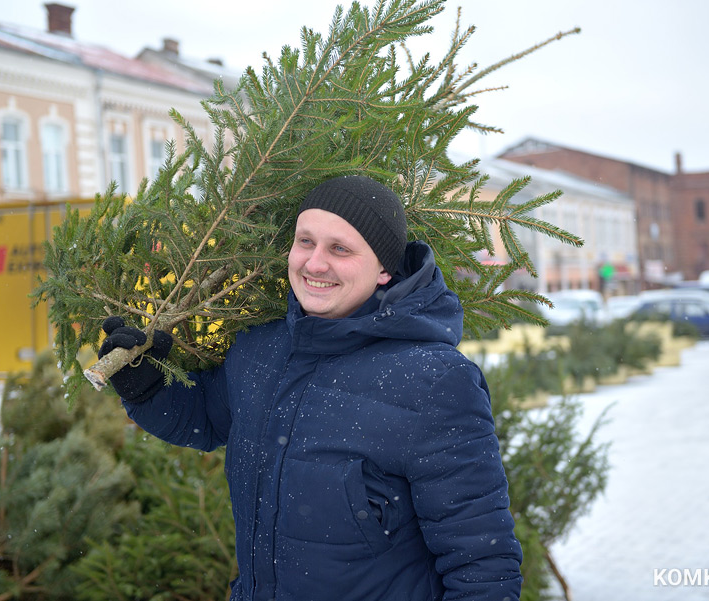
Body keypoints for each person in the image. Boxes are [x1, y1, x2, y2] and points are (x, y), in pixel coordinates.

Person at [99, 175, 523, 601]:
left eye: (340, 248)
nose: (315, 263)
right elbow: (206, 420)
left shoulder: (434, 382)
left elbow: (483, 567)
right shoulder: (260, 348)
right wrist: (146, 388)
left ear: (383, 270)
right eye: (306, 242)